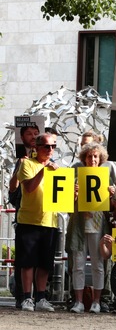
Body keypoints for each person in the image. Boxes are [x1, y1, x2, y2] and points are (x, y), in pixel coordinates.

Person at [66, 143, 114, 313]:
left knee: (98, 264)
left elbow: (114, 206)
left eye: (96, 156)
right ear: (84, 159)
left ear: (100, 159)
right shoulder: (76, 178)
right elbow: (66, 206)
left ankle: (97, 301)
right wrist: (73, 195)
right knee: (78, 265)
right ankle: (78, 301)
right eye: (89, 156)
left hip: (98, 226)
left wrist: (113, 195)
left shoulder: (107, 179)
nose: (93, 159)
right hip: (79, 227)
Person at [15, 133, 60, 312]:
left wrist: (74, 192)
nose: (50, 150)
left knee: (45, 262)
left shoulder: (57, 168)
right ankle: (27, 298)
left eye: (53, 146)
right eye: (46, 146)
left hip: (50, 220)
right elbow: (29, 187)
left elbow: (60, 195)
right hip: (29, 220)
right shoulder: (26, 164)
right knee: (27, 262)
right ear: (37, 147)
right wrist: (43, 170)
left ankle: (41, 298)